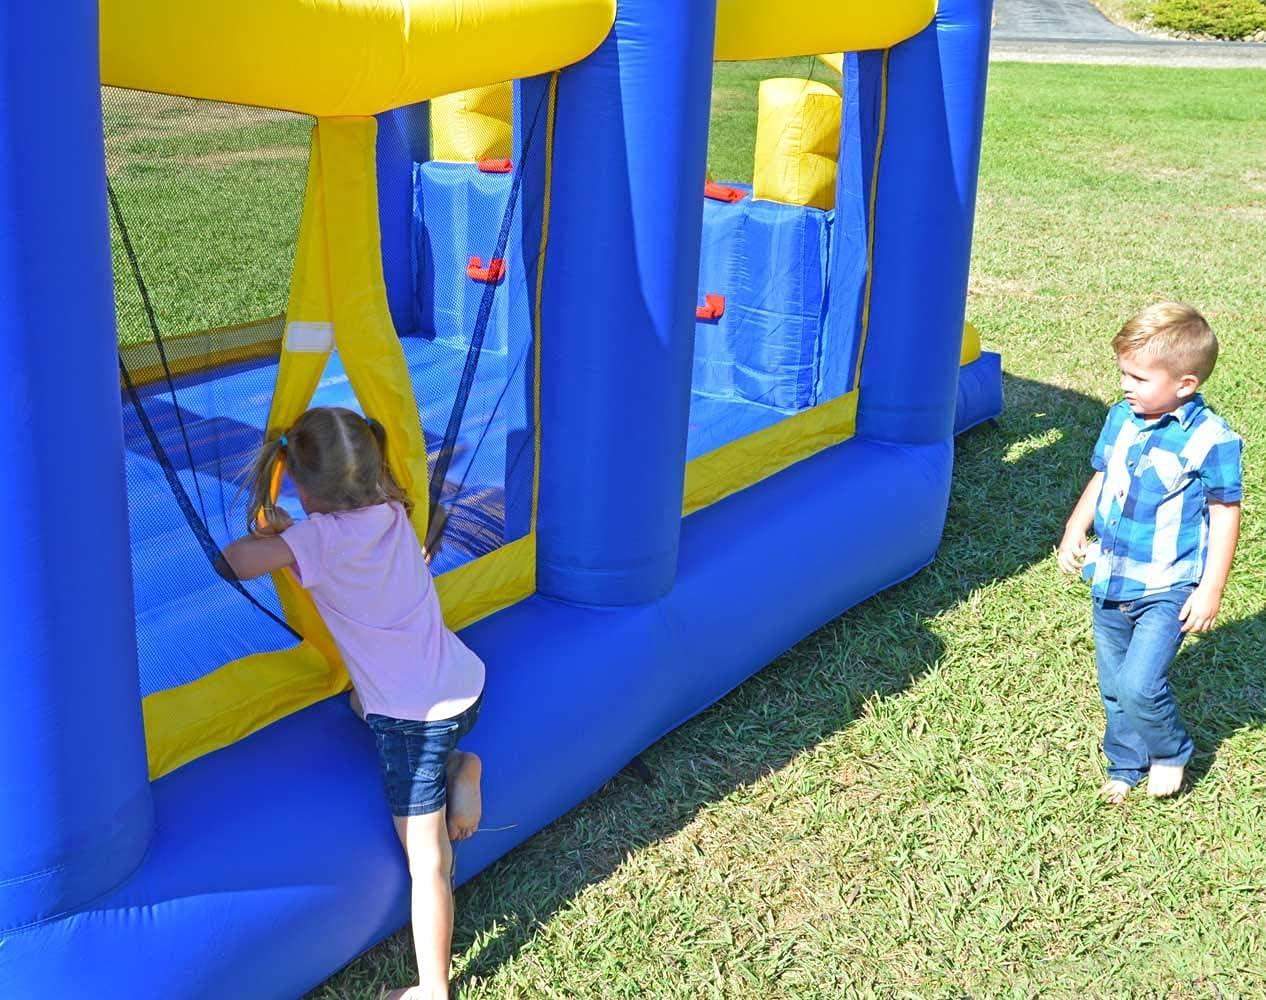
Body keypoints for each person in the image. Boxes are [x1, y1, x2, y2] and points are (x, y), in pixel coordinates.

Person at [223, 406, 485, 1000]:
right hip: (465, 686)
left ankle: (434, 989)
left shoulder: (313, 538)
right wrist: (293, 533)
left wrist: (276, 536)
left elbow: (237, 563)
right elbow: (336, 538)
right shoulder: (392, 513)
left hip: (413, 723)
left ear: (301, 485)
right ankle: (460, 765)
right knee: (360, 705)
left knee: (427, 862)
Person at [1058, 303, 1242, 804]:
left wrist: (1211, 588)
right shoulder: (1122, 417)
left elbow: (1227, 512)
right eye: (1123, 373)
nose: (1125, 385)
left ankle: (1170, 750)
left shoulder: (1210, 439)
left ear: (1184, 384)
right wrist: (1077, 527)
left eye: (1137, 377)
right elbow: (1103, 475)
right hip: (1111, 578)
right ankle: (1124, 762)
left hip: (1168, 587)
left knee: (1140, 684)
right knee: (1115, 685)